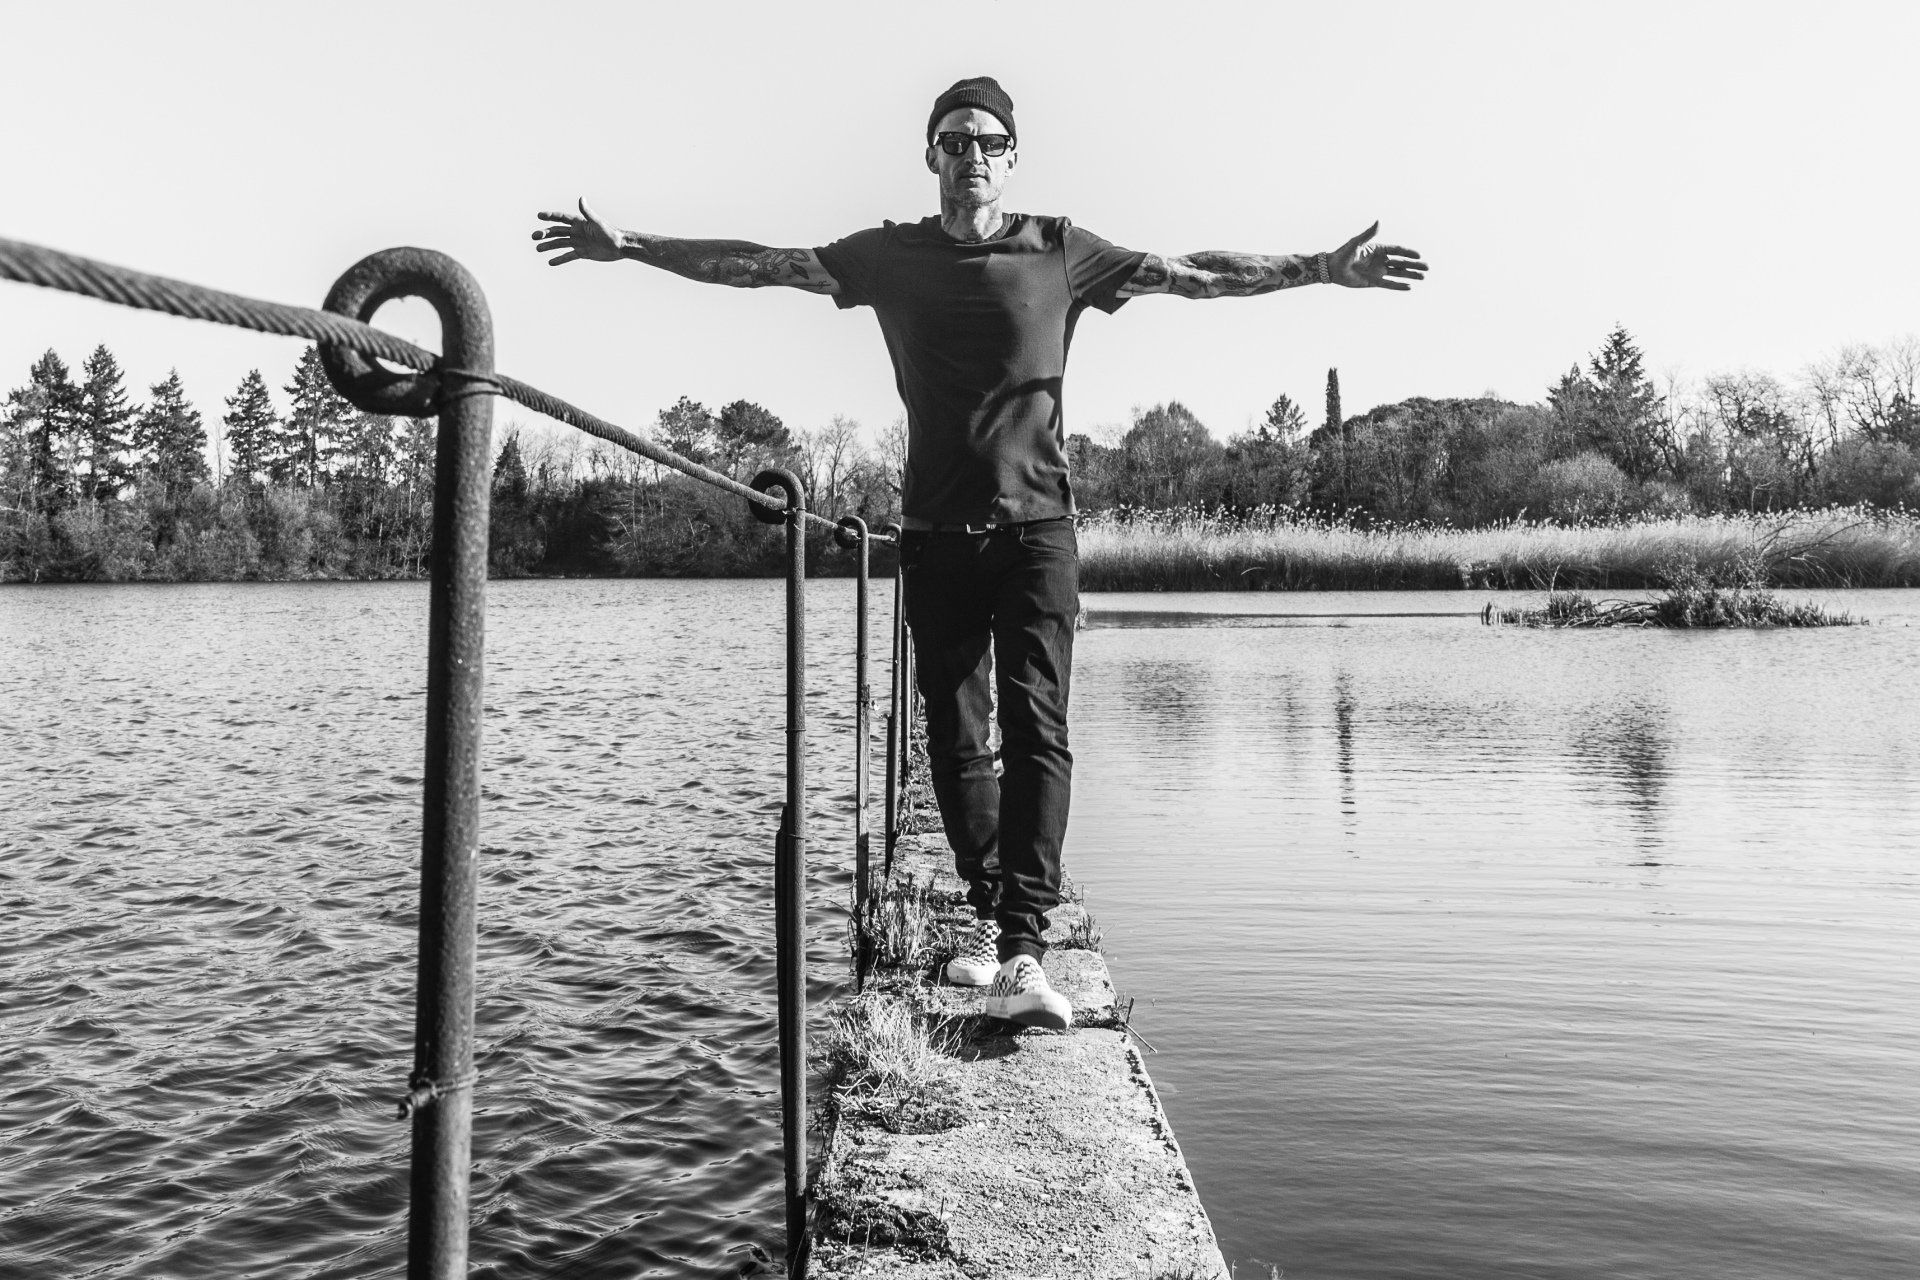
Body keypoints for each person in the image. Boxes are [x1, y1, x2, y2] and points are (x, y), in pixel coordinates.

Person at [533, 76, 1426, 1030]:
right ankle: (995, 918)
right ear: (932, 155)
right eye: (955, 140)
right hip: (934, 536)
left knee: (1037, 727)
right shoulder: (890, 256)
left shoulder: (1060, 249)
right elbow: (763, 265)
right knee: (955, 740)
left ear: (1012, 157)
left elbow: (1192, 274)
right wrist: (634, 245)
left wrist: (1320, 267)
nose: (973, 155)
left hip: (1038, 534)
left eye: (989, 141)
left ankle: (1025, 945)